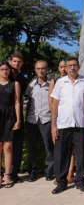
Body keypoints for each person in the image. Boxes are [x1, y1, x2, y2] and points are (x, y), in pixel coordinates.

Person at [50, 57, 84, 194]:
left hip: (80, 122)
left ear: (79, 67)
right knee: (62, 154)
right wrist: (53, 125)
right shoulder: (60, 82)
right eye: (69, 65)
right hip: (63, 123)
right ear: (66, 67)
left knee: (81, 153)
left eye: (75, 65)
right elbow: (55, 104)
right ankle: (61, 182)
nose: (72, 68)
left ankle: (80, 181)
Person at [25, 60, 54, 182]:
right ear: (35, 70)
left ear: (47, 70)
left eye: (43, 68)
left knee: (49, 146)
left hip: (46, 119)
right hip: (32, 119)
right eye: (38, 68)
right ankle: (32, 171)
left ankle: (49, 170)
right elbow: (27, 101)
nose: (41, 71)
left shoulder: (52, 84)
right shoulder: (31, 84)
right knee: (32, 146)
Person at [49, 60, 75, 185]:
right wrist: (54, 122)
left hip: (72, 120)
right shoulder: (55, 82)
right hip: (59, 120)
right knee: (60, 149)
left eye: (66, 66)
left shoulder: (76, 81)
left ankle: (70, 172)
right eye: (61, 67)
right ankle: (60, 174)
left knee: (72, 149)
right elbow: (52, 102)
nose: (64, 69)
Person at [0, 61, 21, 188]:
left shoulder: (15, 84)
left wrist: (18, 119)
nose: (5, 71)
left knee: (8, 147)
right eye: (2, 69)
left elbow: (17, 102)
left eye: (7, 69)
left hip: (9, 116)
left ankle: (7, 175)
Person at [8, 53, 28, 184]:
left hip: (18, 115)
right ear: (10, 62)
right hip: (4, 115)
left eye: (19, 62)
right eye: (14, 61)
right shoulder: (3, 75)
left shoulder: (23, 79)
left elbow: (25, 97)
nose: (17, 63)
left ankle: (14, 173)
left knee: (17, 145)